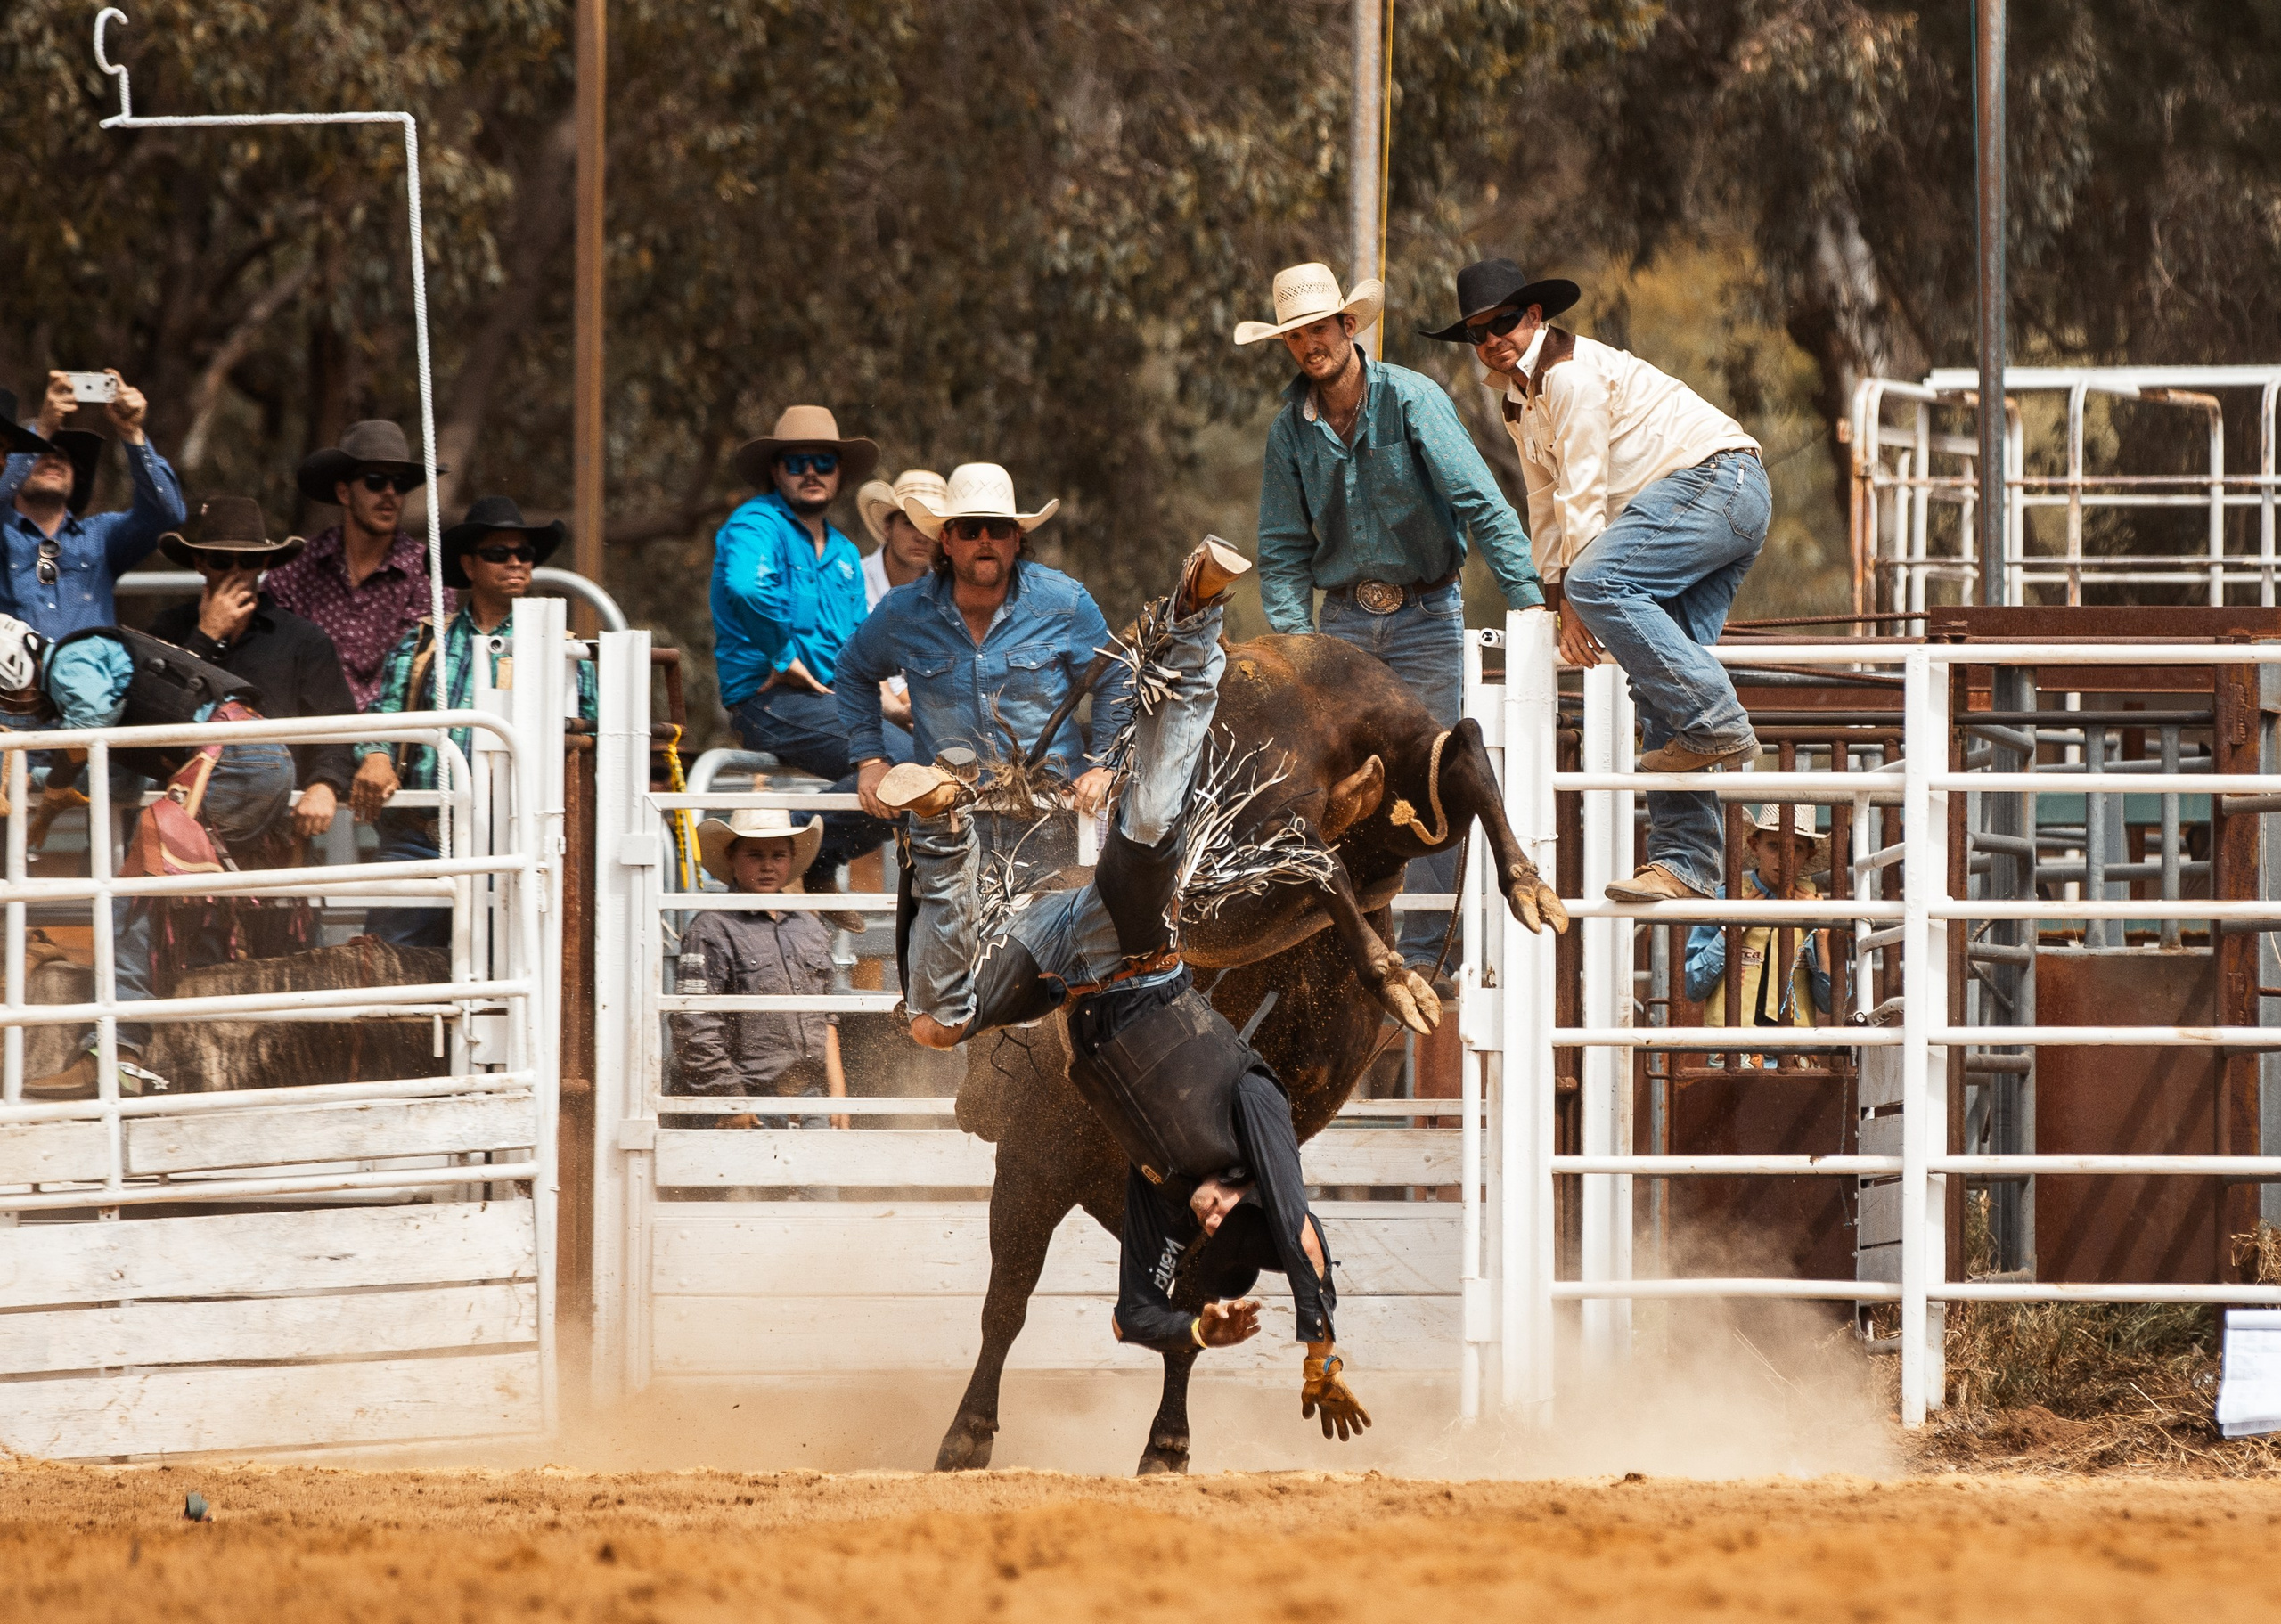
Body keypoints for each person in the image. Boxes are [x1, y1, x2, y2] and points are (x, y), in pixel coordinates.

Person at [876, 538, 1369, 1441]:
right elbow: (1296, 1222)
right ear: (1244, 1202)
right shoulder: (1253, 1108)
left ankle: (942, 831)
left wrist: (1195, 1324)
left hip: (1062, 972)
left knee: (939, 1020)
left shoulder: (1159, 1187)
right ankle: (1194, 622)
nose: (1210, 1206)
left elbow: (1131, 1315)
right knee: (1145, 827)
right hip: (1131, 946)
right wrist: (1318, 1342)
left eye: (1208, 1224)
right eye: (1229, 1211)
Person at [1426, 256, 1770, 904]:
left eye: (1502, 322)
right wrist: (1557, 602)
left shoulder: (1571, 380)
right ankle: (1686, 862)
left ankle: (1718, 715)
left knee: (1621, 610)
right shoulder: (1520, 403)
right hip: (1711, 503)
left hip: (1719, 483)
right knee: (1658, 674)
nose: (1492, 341)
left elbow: (1580, 502)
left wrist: (1577, 597)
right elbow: (1544, 502)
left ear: (1535, 315)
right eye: (1477, 334)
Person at [1242, 263, 1544, 984]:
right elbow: (1281, 553)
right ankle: (1354, 944)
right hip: (1340, 624)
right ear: (1287, 346)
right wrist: (1297, 648)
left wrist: (1529, 603)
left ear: (1349, 327)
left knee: (1436, 771)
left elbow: (1480, 502)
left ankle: (1435, 948)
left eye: (1321, 327)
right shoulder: (1290, 433)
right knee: (1335, 787)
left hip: (1423, 612)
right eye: (1297, 334)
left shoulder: (1411, 401)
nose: (1311, 344)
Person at [839, 462, 1131, 872]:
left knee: (1057, 934)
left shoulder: (1064, 601)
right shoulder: (903, 613)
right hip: (947, 822)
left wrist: (1105, 765)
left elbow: (1117, 675)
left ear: (1017, 538)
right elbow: (852, 670)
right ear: (946, 539)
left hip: (1051, 818)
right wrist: (870, 759)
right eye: (970, 529)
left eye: (997, 529)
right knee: (944, 936)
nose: (984, 540)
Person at [349, 497, 596, 947]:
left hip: (519, 839)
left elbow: (591, 733)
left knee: (513, 971)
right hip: (424, 836)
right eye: (499, 554)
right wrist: (378, 755)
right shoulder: (425, 642)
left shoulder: (563, 650)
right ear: (469, 564)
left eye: (524, 554)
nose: (516, 563)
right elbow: (385, 713)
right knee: (387, 963)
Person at [144, 497, 359, 845]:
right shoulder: (168, 631)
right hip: (182, 824)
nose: (236, 571)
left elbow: (339, 727)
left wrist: (325, 784)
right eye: (220, 560)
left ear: (265, 563)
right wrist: (205, 636)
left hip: (274, 831)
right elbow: (149, 717)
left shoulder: (303, 640)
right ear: (200, 563)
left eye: (248, 560)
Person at [712, 405, 878, 780]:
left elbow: (857, 652)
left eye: (824, 462)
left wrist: (902, 709)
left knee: (924, 762)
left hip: (830, 704)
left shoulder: (846, 552)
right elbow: (746, 586)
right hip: (765, 701)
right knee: (893, 766)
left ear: (840, 473)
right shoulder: (757, 524)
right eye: (796, 463)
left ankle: (806, 835)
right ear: (774, 471)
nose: (811, 472)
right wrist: (785, 658)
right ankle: (806, 836)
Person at [673, 806, 850, 1130]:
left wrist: (837, 1093)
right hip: (748, 1098)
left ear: (791, 858)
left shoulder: (809, 926)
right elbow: (695, 1025)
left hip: (810, 1099)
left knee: (819, 1180)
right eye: (755, 855)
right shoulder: (712, 928)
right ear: (732, 857)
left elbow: (826, 1016)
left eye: (778, 855)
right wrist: (731, 1100)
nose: (768, 866)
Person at [265, 420, 454, 710]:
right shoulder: (296, 570)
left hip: (393, 737)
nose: (390, 493)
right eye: (375, 481)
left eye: (400, 484)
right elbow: (276, 661)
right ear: (344, 493)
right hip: (310, 734)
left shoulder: (429, 573)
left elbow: (411, 674)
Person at [0, 371, 187, 640]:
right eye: (41, 452)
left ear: (77, 476)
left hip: (92, 677)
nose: (53, 460)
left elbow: (167, 514)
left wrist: (131, 432)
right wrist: (42, 429)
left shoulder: (101, 536)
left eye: (64, 457)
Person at [1683, 804, 1835, 1068]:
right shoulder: (1724, 900)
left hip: (1795, 1058)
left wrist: (1821, 937)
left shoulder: (1820, 910)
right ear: (1755, 846)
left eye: (1796, 848)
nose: (1784, 858)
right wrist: (1730, 932)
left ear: (1808, 855)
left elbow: (1830, 1002)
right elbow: (1693, 987)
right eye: (1774, 846)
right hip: (1732, 1055)